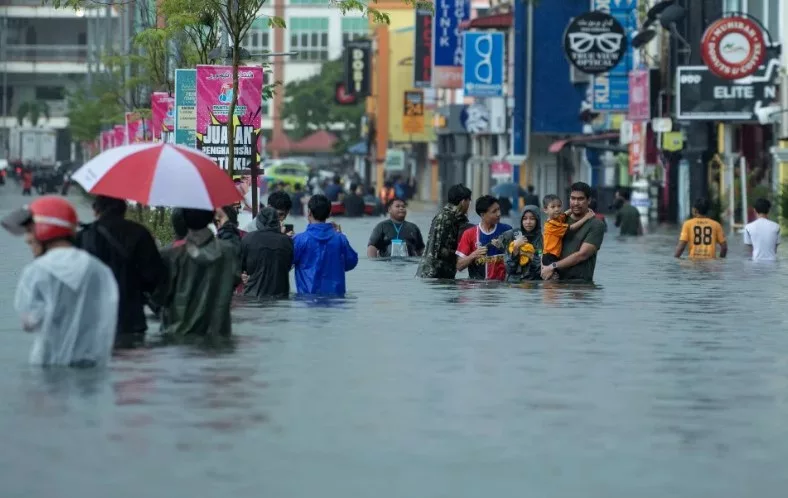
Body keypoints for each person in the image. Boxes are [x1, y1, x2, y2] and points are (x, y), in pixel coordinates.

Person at [2, 196, 118, 366]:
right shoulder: (98, 269)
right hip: (92, 364)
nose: (27, 239)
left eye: (29, 230)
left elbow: (29, 322)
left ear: (44, 228)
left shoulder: (36, 271)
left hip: (49, 364)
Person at [76, 196, 164, 342]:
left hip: (93, 319)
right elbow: (154, 277)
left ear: (96, 210)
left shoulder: (84, 236)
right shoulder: (140, 233)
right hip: (130, 317)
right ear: (124, 210)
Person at [153, 208, 241, 337]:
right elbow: (235, 280)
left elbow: (158, 297)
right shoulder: (228, 252)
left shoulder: (170, 254)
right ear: (211, 218)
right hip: (218, 336)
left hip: (178, 336)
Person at [540, 182, 606, 282]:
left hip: (579, 285)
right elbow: (544, 247)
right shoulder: (558, 220)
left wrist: (552, 266)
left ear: (589, 200)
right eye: (573, 198)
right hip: (554, 281)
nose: (575, 203)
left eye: (580, 199)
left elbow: (582, 255)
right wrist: (544, 268)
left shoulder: (596, 225)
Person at [293, 194, 358, 295]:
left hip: (307, 300)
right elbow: (351, 263)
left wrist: (283, 241)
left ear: (309, 212)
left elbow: (284, 264)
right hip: (336, 300)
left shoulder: (299, 240)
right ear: (329, 214)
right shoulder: (340, 239)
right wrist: (341, 235)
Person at [416, 183, 472, 279]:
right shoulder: (446, 219)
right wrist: (466, 255)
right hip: (434, 275)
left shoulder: (452, 216)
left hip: (438, 274)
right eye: (469, 201)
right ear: (463, 202)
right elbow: (441, 250)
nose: (469, 204)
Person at [240, 206, 294, 298]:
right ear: (277, 222)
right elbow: (288, 266)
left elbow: (241, 267)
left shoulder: (248, 239)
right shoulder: (287, 241)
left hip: (253, 295)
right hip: (280, 296)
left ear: (259, 222)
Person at [455, 195, 511, 280]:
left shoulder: (507, 230)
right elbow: (459, 266)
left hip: (501, 285)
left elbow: (517, 259)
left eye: (499, 209)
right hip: (477, 285)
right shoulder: (469, 234)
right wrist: (473, 255)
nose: (499, 214)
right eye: (494, 211)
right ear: (482, 215)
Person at [499, 205, 543, 282]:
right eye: (525, 219)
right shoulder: (513, 236)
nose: (528, 222)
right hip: (514, 283)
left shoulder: (543, 239)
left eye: (532, 219)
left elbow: (541, 268)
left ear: (537, 220)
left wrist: (528, 254)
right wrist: (516, 248)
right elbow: (509, 269)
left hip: (535, 282)